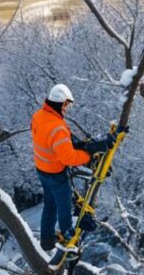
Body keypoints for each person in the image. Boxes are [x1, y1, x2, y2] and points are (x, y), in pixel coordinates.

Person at [31, 84, 113, 253]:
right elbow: (69, 158)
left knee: (50, 205)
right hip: (55, 173)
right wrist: (89, 155)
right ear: (59, 103)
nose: (67, 108)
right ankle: (68, 237)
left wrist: (79, 145)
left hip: (41, 169)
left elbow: (53, 142)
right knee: (64, 205)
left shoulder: (39, 116)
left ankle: (46, 241)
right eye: (66, 104)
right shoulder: (58, 127)